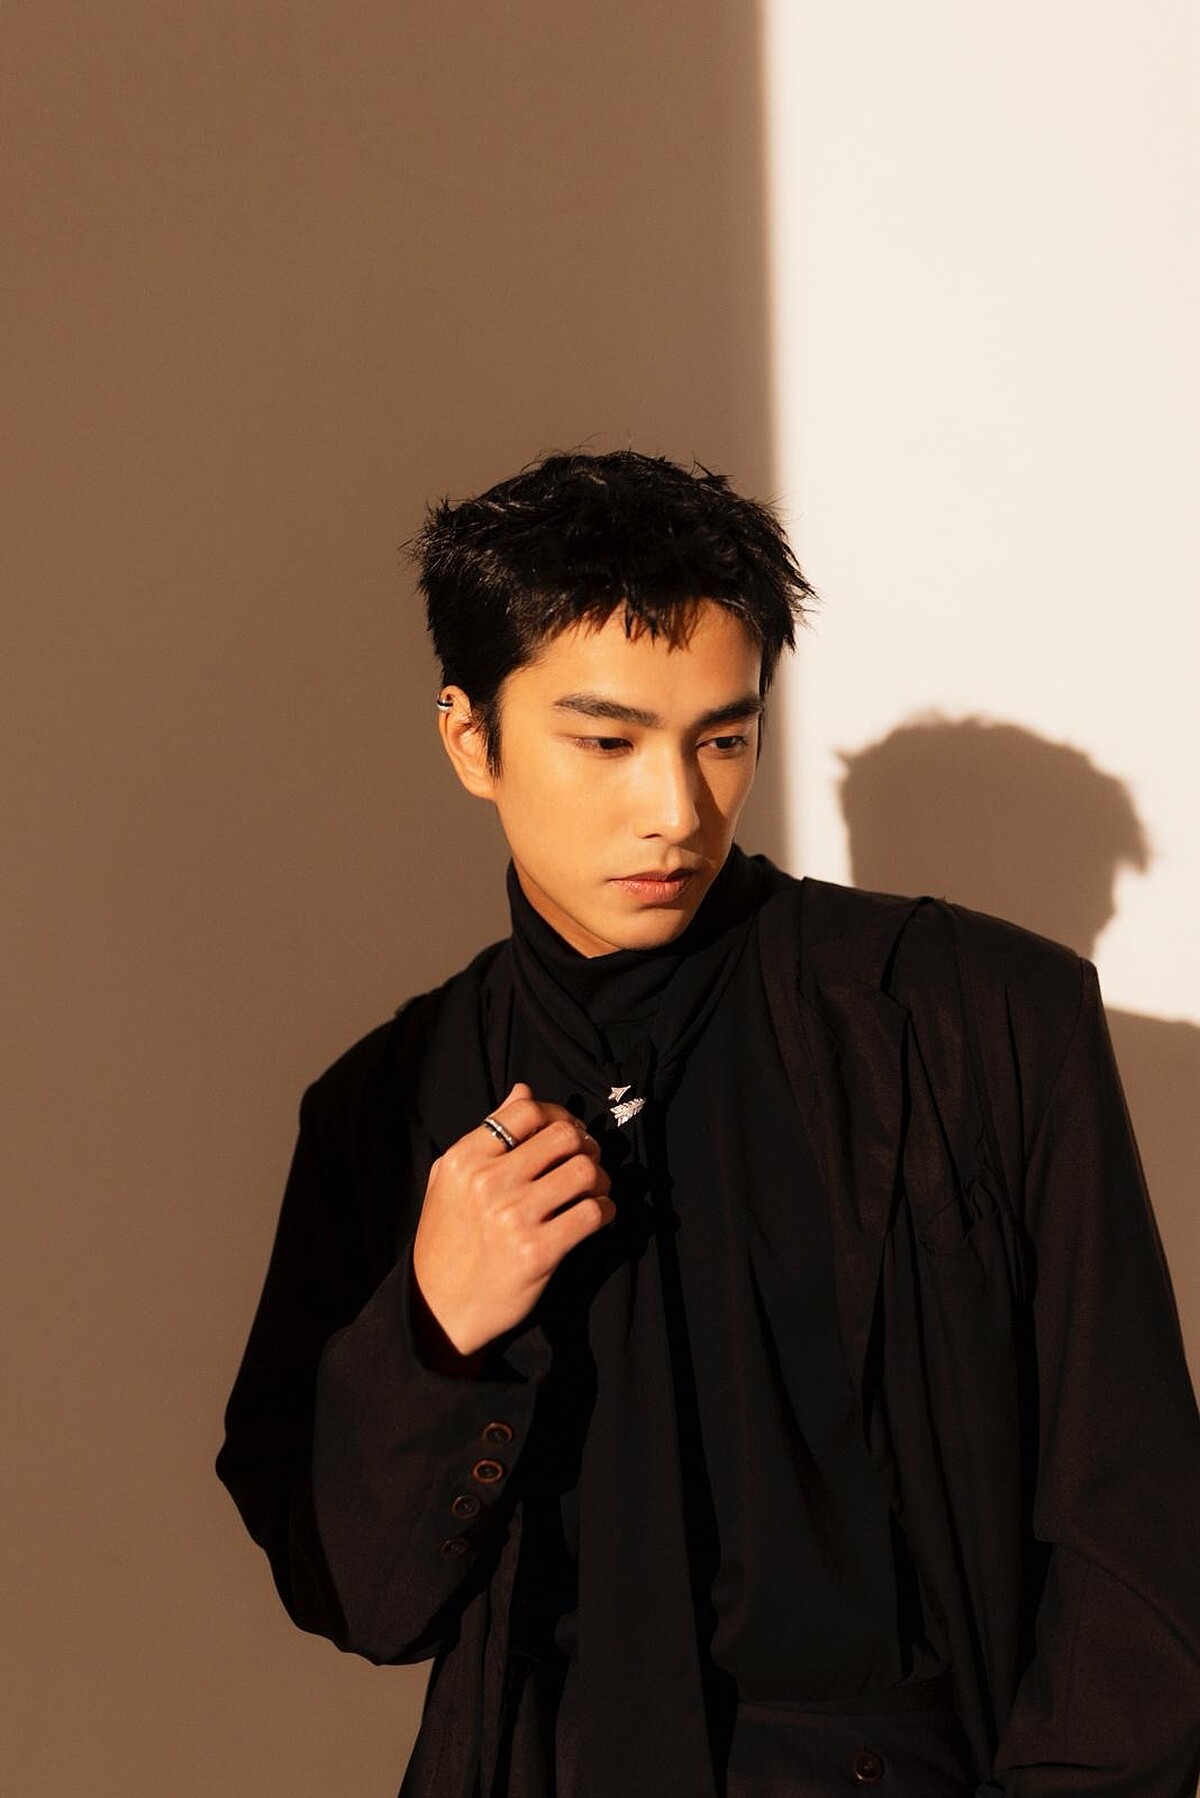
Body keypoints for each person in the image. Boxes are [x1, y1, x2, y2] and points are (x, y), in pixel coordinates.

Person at [215, 450, 1200, 1798]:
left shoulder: (986, 1020)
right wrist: (434, 1332)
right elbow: (355, 1599)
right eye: (607, 742)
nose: (677, 811)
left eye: (722, 740)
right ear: (469, 738)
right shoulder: (386, 1102)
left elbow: (1137, 1525)